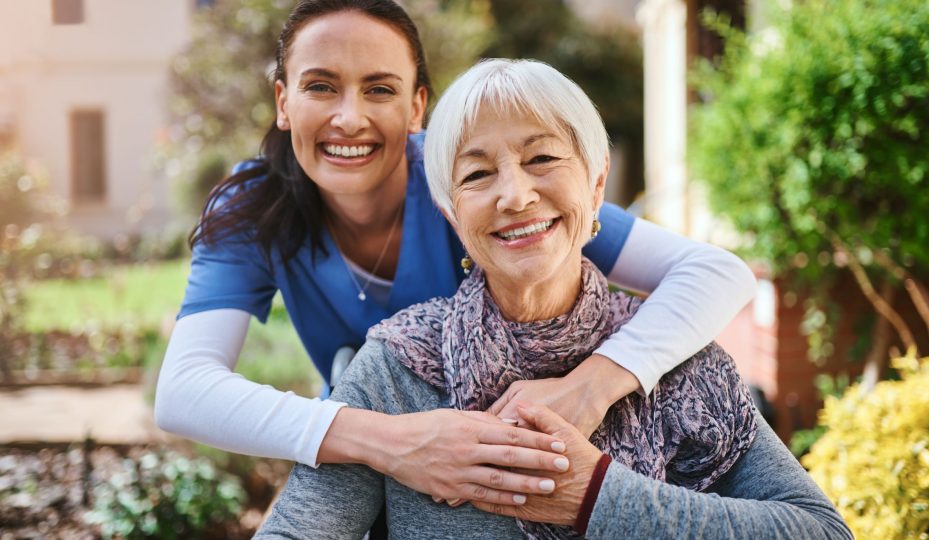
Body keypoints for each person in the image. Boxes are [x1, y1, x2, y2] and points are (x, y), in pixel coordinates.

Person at [154, 0, 758, 507]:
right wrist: (392, 441)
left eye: (379, 89)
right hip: (371, 472)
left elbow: (715, 273)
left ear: (418, 108)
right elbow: (184, 390)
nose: (349, 117)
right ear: (284, 102)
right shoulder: (252, 207)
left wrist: (592, 385)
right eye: (320, 86)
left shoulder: (474, 189)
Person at [255, 58, 852, 539]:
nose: (515, 195)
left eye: (542, 158)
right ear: (451, 215)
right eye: (477, 175)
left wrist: (595, 496)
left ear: (596, 186)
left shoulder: (680, 361)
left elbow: (820, 530)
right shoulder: (397, 368)